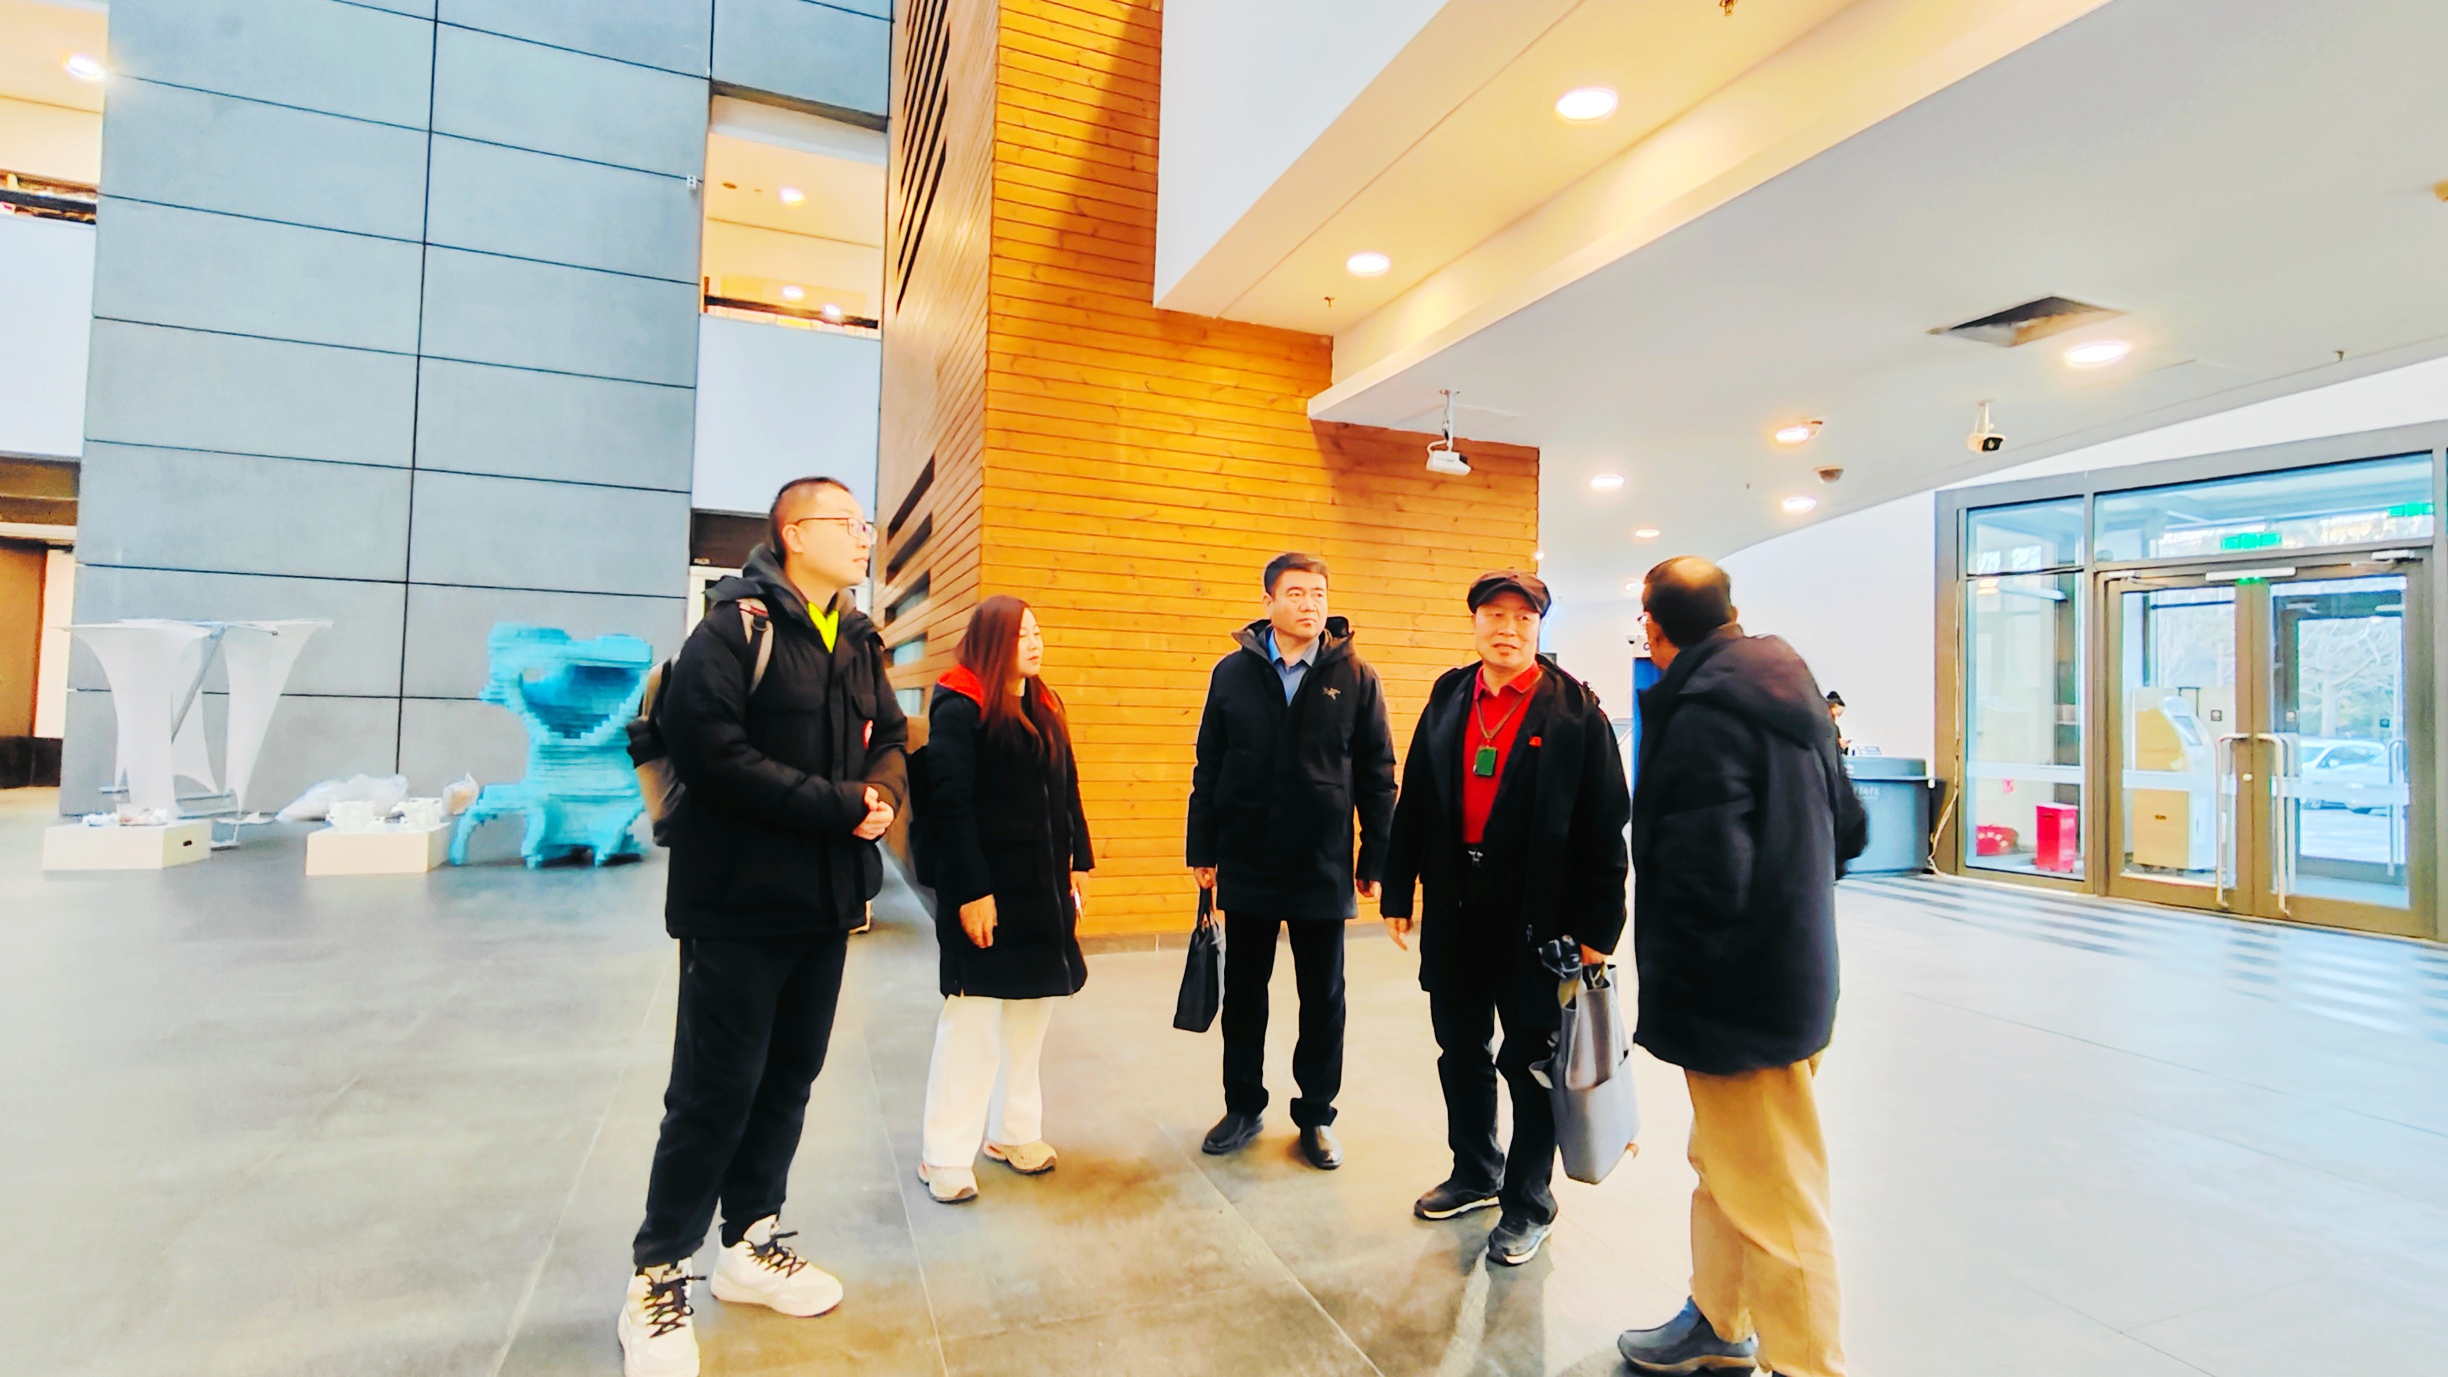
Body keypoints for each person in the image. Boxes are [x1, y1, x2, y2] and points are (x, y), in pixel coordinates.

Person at [620, 476, 908, 1377]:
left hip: (826, 902)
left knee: (789, 1077)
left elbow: (893, 735)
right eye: (847, 522)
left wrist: (883, 793)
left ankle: (749, 1240)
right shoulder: (730, 629)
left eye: (866, 523)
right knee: (714, 1089)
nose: (864, 536)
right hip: (736, 905)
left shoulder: (857, 636)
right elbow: (714, 755)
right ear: (793, 532)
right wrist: (840, 805)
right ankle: (657, 1274)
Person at [1614, 557, 1866, 1377]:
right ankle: (1720, 1318)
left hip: (1738, 997)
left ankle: (1809, 1363)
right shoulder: (1791, 686)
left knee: (1779, 1197)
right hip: (1795, 972)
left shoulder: (1698, 712)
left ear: (1655, 628)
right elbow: (1851, 826)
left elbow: (1703, 874)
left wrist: (1691, 996)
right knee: (1729, 1165)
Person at [1380, 570, 1629, 1267]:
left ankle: (1528, 1202)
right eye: (1495, 614)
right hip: (1455, 906)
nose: (1508, 629)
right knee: (1459, 1049)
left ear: (1539, 627)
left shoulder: (1576, 711)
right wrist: (1398, 889)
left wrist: (1598, 929)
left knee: (1530, 1062)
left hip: (1538, 919)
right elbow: (1417, 797)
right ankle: (1475, 1170)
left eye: (1523, 618)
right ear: (1475, 621)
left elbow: (1606, 827)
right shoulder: (1449, 695)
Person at [1185, 553, 1397, 1169]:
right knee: (1244, 994)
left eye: (1319, 593)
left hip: (1321, 863)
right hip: (1247, 857)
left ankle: (1316, 1115)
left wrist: (1375, 855)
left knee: (1322, 998)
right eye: (1297, 592)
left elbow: (1379, 774)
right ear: (1269, 602)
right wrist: (1203, 847)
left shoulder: (1356, 676)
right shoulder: (1232, 673)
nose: (1310, 604)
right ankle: (1243, 1105)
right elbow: (1209, 765)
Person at [915, 596, 1093, 1203]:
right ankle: (944, 1155)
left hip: (1041, 890)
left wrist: (1079, 862)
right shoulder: (959, 703)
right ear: (992, 642)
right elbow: (951, 804)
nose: (1035, 644)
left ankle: (1013, 1132)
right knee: (972, 1021)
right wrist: (972, 892)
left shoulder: (1044, 701)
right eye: (1021, 636)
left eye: (1037, 633)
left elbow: (1067, 788)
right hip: (986, 888)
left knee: (1029, 1013)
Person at [1824, 690, 1852, 754]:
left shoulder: (1835, 729)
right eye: (1835, 714)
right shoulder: (1818, 726)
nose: (1836, 718)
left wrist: (1842, 746)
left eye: (1838, 715)